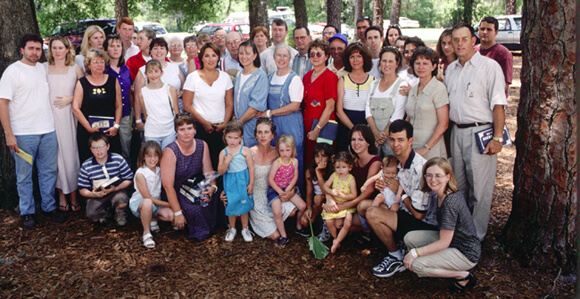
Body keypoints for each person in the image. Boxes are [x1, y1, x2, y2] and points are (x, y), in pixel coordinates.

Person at [445, 22, 507, 241]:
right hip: (457, 133)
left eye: (464, 39)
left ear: (474, 41)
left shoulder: (489, 68)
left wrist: (497, 138)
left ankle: (476, 238)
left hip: (481, 133)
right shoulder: (450, 69)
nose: (459, 44)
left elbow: (498, 104)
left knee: (480, 190)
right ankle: (460, 232)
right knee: (457, 186)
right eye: (455, 40)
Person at [0, 34, 67, 229]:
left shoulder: (42, 69)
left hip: (48, 131)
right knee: (24, 175)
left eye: (38, 49)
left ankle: (49, 207)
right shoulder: (12, 72)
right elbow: (3, 103)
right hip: (22, 134)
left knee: (49, 172)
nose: (35, 52)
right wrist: (8, 133)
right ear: (22, 50)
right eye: (31, 48)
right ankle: (27, 212)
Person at [365, 120, 438, 278]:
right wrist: (382, 185)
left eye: (400, 140)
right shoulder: (397, 163)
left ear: (410, 141)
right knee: (364, 206)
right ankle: (395, 245)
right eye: (392, 139)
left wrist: (400, 193)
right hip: (405, 212)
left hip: (424, 224)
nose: (395, 144)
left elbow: (419, 214)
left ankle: (395, 256)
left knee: (372, 213)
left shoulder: (419, 168)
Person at [403, 157, 480, 293]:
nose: (433, 180)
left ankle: (463, 276)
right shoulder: (441, 194)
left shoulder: (450, 203)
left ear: (447, 177)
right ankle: (435, 268)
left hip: (465, 252)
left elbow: (444, 242)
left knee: (416, 264)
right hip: (453, 242)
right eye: (429, 175)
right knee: (409, 238)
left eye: (438, 175)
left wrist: (415, 254)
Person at [160, 113, 219, 240]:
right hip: (177, 190)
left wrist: (212, 187)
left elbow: (208, 173)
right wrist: (178, 212)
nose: (186, 132)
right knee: (195, 209)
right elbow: (167, 185)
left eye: (189, 128)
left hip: (196, 186)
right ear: (176, 132)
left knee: (212, 199)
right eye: (182, 129)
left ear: (195, 130)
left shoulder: (202, 145)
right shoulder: (170, 151)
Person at [44, 35, 84, 212]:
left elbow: (86, 92)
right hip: (48, 118)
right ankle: (61, 195)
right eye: (54, 48)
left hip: (69, 118)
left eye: (61, 48)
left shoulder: (75, 69)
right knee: (55, 158)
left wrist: (72, 98)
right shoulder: (43, 68)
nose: (57, 51)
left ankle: (74, 195)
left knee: (70, 156)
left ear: (67, 49)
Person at [321, 125, 382, 241]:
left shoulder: (375, 161)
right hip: (352, 202)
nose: (356, 143)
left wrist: (346, 205)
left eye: (361, 139)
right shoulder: (352, 162)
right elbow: (334, 181)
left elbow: (368, 191)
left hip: (367, 205)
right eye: (353, 139)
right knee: (338, 224)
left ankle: (368, 231)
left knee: (343, 222)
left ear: (368, 142)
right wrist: (330, 198)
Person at [182, 43, 234, 169]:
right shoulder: (192, 77)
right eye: (207, 56)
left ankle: (220, 188)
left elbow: (229, 104)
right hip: (200, 128)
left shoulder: (225, 77)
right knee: (202, 163)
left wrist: (225, 124)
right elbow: (187, 105)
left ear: (218, 58)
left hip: (220, 128)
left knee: (221, 163)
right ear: (201, 58)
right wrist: (204, 123)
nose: (210, 59)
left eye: (213, 55)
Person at [262, 42, 305, 192]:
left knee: (292, 158)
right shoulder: (269, 77)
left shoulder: (294, 79)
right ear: (273, 57)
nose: (281, 58)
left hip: (290, 123)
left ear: (290, 58)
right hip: (274, 125)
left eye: (285, 55)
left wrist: (271, 113)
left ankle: (295, 195)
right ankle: (277, 195)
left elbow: (295, 105)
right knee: (277, 158)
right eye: (278, 55)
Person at [243, 118, 297, 240]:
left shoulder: (278, 153)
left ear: (272, 135)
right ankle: (256, 223)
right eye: (259, 132)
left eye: (266, 132)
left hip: (273, 193)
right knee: (275, 236)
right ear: (255, 135)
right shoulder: (249, 153)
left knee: (292, 211)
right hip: (256, 196)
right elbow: (239, 176)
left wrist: (291, 190)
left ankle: (278, 223)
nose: (263, 136)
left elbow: (289, 173)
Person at [72, 49, 123, 163]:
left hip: (110, 131)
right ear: (88, 65)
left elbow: (119, 105)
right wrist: (89, 128)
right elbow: (75, 108)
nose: (99, 65)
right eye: (95, 62)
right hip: (88, 133)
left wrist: (116, 126)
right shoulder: (82, 82)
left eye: (101, 62)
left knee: (113, 162)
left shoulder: (113, 80)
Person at [78, 132, 133, 225]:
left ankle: (120, 213)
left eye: (101, 146)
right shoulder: (86, 165)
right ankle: (105, 212)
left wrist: (116, 188)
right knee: (91, 215)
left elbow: (129, 179)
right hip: (98, 195)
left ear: (107, 146)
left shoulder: (118, 159)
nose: (98, 150)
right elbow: (82, 188)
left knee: (121, 198)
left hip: (115, 191)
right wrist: (93, 194)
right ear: (91, 149)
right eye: (95, 148)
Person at [406, 47, 449, 160]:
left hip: (431, 148)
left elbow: (443, 124)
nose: (421, 67)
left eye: (425, 63)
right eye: (417, 63)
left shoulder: (439, 89)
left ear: (434, 66)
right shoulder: (412, 90)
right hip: (412, 147)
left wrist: (426, 148)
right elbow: (409, 118)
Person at [129, 141, 174, 248]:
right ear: (143, 157)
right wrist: (170, 204)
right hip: (140, 204)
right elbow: (147, 197)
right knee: (148, 202)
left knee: (171, 215)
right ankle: (147, 233)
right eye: (149, 156)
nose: (152, 159)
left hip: (156, 203)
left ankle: (152, 219)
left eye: (155, 156)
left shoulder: (160, 170)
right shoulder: (141, 173)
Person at [365, 47, 407, 156]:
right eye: (384, 61)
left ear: (397, 63)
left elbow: (398, 114)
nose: (387, 65)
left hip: (392, 137)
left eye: (390, 61)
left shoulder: (402, 84)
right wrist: (375, 133)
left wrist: (383, 136)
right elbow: (367, 109)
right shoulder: (373, 84)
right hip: (373, 136)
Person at [218, 121, 255, 242]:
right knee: (231, 204)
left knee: (244, 206)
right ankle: (232, 228)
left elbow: (251, 167)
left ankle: (245, 228)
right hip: (231, 182)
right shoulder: (224, 152)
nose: (232, 141)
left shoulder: (245, 150)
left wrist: (251, 183)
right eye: (229, 137)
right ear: (225, 137)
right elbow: (221, 171)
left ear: (241, 138)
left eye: (236, 138)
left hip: (243, 181)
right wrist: (227, 161)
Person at [267, 135, 308, 245]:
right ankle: (283, 235)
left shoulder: (294, 161)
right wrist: (280, 191)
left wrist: (290, 188)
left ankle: (298, 226)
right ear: (278, 151)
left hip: (288, 187)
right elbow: (270, 179)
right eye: (282, 150)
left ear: (293, 150)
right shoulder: (277, 162)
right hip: (275, 189)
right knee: (277, 211)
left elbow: (295, 176)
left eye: (287, 150)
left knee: (303, 206)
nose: (285, 153)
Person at [302, 39, 338, 164]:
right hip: (307, 128)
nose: (315, 57)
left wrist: (317, 129)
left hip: (323, 129)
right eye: (312, 54)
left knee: (321, 163)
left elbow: (330, 107)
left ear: (326, 56)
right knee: (308, 163)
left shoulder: (330, 77)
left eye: (319, 54)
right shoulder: (307, 76)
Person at [335, 42, 374, 152]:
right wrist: (353, 130)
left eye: (359, 56)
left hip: (366, 128)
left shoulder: (373, 81)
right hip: (346, 127)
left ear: (364, 58)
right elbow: (339, 111)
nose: (355, 60)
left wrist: (362, 133)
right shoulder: (342, 80)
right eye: (352, 57)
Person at [134, 38, 184, 120]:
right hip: (153, 115)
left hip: (176, 113)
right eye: (155, 48)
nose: (159, 51)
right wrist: (138, 120)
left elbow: (184, 88)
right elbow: (137, 97)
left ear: (166, 51)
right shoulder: (143, 70)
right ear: (150, 51)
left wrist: (181, 93)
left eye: (162, 48)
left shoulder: (175, 68)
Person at [138, 60, 180, 149]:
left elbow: (176, 112)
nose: (153, 75)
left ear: (161, 73)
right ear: (146, 74)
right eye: (150, 72)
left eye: (156, 71)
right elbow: (146, 114)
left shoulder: (170, 89)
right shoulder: (142, 92)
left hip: (169, 132)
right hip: (151, 133)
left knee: (168, 158)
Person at [233, 40, 268, 147]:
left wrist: (239, 123)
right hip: (238, 127)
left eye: (248, 53)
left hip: (252, 127)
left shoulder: (260, 76)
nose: (244, 56)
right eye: (241, 53)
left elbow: (255, 106)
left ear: (255, 55)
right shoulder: (239, 75)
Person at [321, 151, 357, 254]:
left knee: (348, 222)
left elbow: (354, 195)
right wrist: (331, 191)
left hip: (347, 204)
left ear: (350, 167)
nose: (340, 170)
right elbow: (325, 186)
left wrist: (344, 196)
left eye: (343, 167)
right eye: (337, 167)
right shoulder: (334, 176)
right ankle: (335, 237)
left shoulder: (351, 179)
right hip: (335, 203)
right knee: (329, 221)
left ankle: (338, 241)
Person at [104, 34, 133, 161]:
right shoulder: (103, 69)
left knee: (126, 144)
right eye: (112, 46)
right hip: (109, 113)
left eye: (118, 46)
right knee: (109, 145)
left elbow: (130, 91)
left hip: (125, 113)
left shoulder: (126, 69)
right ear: (106, 49)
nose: (116, 49)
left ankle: (127, 170)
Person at [475, 16, 514, 96]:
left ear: (496, 32)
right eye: (482, 29)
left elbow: (505, 84)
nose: (485, 32)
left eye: (489, 29)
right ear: (478, 31)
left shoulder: (504, 54)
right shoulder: (473, 52)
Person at [299, 143, 333, 229]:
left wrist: (318, 173)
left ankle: (325, 221)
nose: (320, 159)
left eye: (323, 156)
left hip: (330, 200)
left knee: (318, 198)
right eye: (317, 156)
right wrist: (309, 208)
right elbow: (309, 193)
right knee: (305, 221)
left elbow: (325, 193)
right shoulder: (309, 171)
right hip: (317, 204)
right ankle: (319, 219)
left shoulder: (333, 171)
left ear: (329, 158)